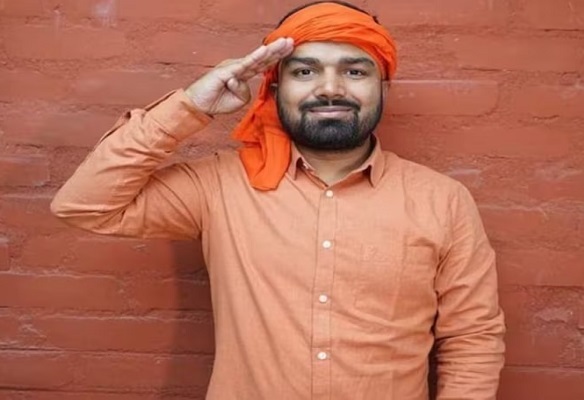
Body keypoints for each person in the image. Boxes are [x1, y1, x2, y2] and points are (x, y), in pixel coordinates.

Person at [51, 1, 505, 399]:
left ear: (383, 88)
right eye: (305, 71)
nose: (330, 88)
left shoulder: (442, 201)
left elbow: (473, 338)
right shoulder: (220, 186)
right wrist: (192, 105)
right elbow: (84, 205)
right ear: (273, 88)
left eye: (354, 71)